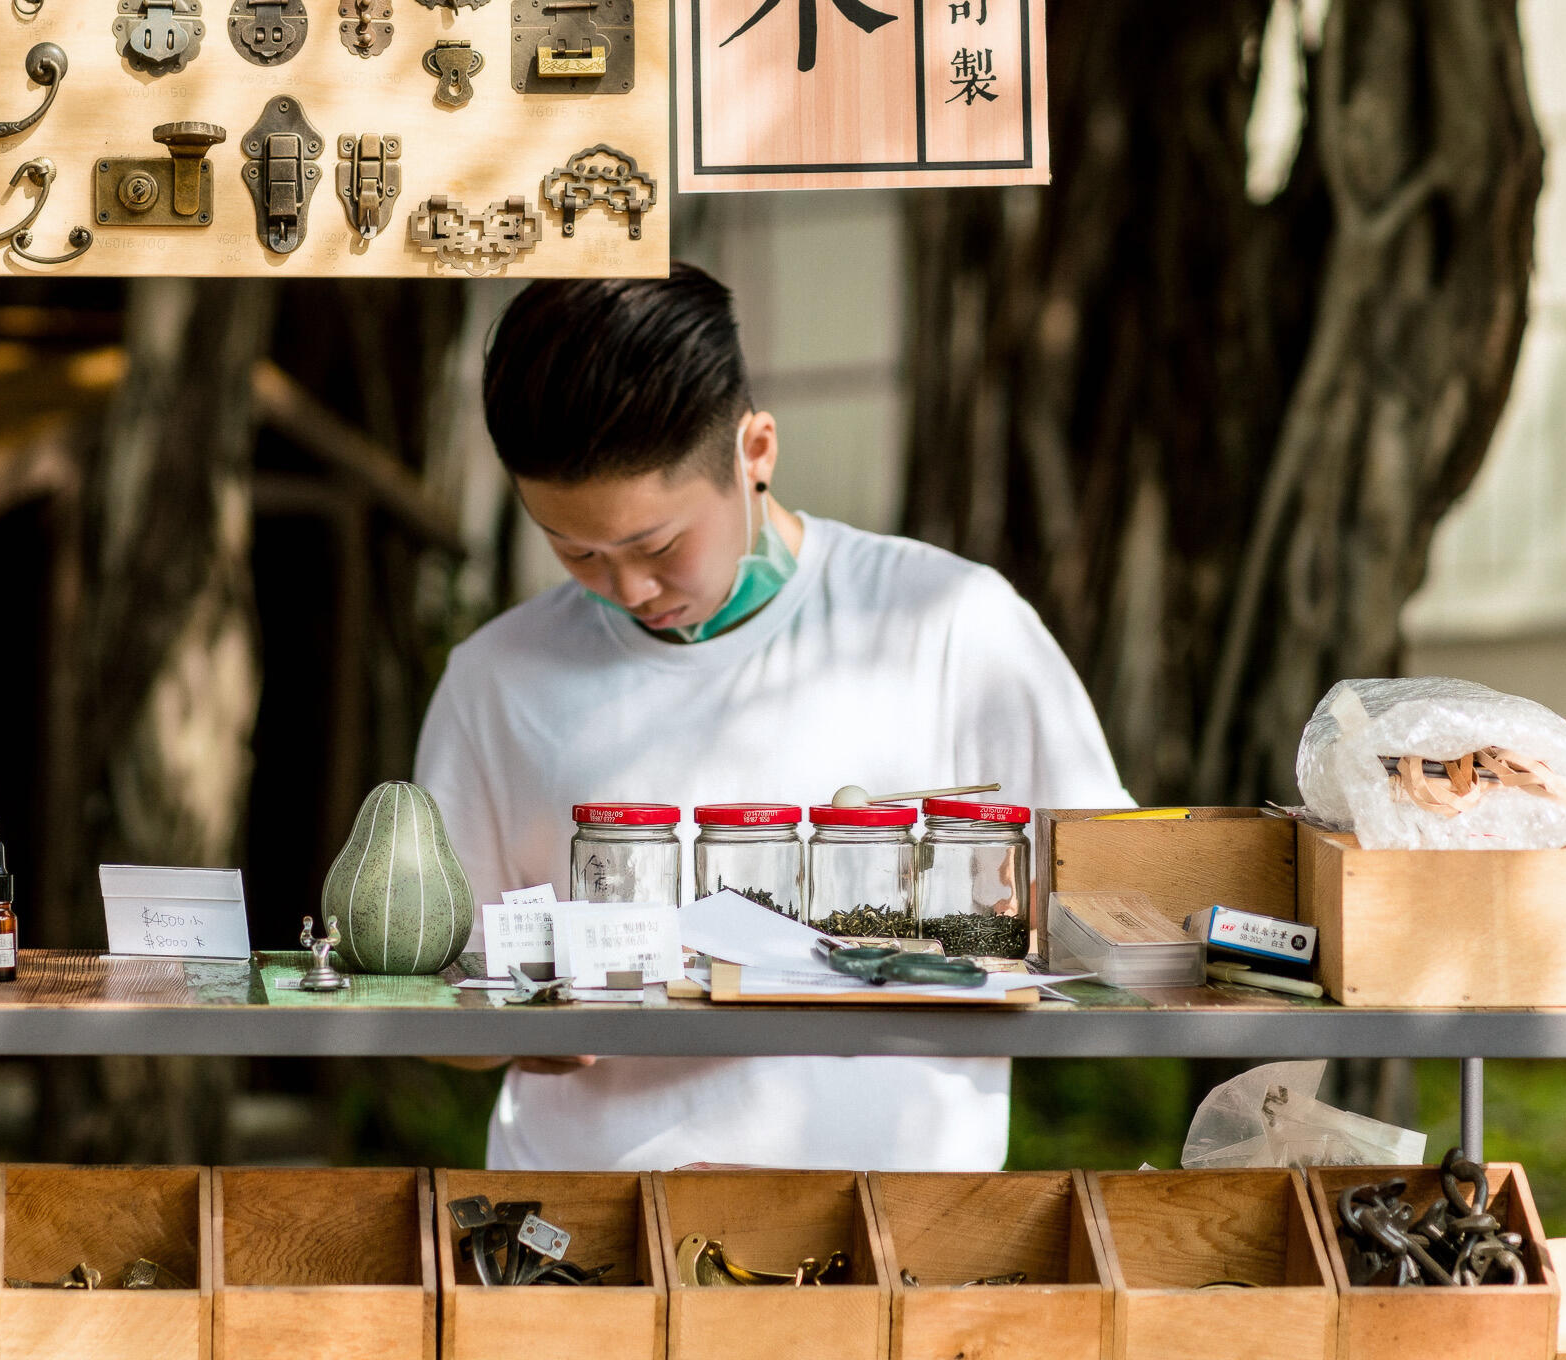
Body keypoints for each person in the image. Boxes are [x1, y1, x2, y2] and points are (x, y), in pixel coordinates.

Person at [415, 265, 1130, 1170]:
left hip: (899, 1224)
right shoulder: (497, 680)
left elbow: (1112, 902)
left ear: (754, 452)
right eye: (576, 551)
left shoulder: (951, 624)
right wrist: (511, 1021)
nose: (628, 588)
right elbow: (428, 992)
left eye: (657, 545)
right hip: (584, 1223)